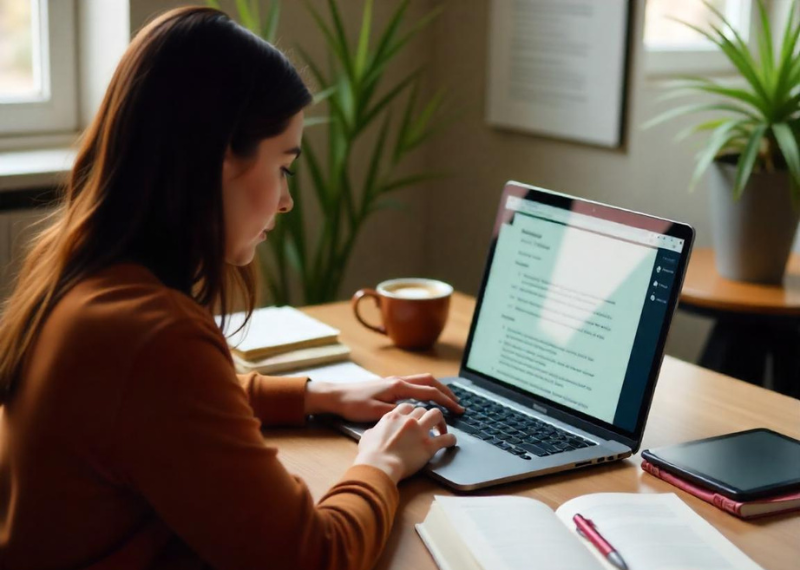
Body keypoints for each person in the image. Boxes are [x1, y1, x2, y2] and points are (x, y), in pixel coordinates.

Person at [0, 7, 463, 570]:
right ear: (223, 157)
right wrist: (382, 463)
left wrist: (317, 395)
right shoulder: (152, 336)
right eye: (284, 165)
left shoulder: (83, 281)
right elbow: (315, 558)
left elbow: (162, 407)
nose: (287, 200)